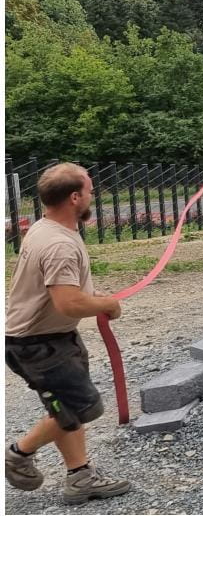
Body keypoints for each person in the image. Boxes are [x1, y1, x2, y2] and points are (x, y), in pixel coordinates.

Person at [5, 163, 132, 504]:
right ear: (75, 197)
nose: (93, 194)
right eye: (89, 189)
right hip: (38, 347)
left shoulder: (47, 227)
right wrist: (107, 304)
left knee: (62, 408)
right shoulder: (58, 244)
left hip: (51, 340)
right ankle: (18, 454)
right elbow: (68, 303)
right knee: (82, 407)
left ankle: (80, 477)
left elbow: (61, 292)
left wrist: (91, 296)